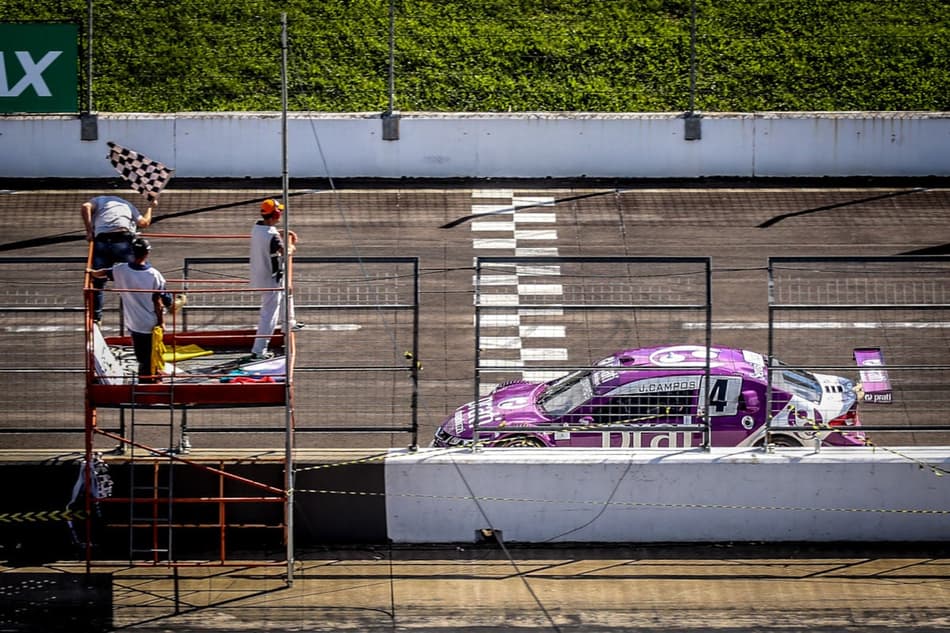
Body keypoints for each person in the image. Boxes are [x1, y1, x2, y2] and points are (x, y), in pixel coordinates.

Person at [88, 237, 171, 383]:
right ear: (147, 253)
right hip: (150, 323)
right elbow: (160, 301)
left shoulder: (120, 270)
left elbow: (102, 273)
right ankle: (147, 383)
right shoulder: (154, 275)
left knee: (143, 354)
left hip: (133, 322)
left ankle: (153, 373)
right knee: (149, 356)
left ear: (132, 252)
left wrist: (90, 272)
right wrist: (162, 321)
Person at [81, 195, 153, 324]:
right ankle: (140, 312)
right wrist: (150, 207)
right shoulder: (128, 205)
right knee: (132, 275)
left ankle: (96, 318)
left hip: (102, 240)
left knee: (97, 281)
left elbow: (85, 207)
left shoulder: (99, 200)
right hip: (122, 239)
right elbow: (144, 223)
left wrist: (89, 231)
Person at [250, 198, 302, 360]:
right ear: (276, 214)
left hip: (261, 273)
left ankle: (289, 322)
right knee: (269, 315)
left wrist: (282, 234)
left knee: (287, 291)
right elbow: (286, 251)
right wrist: (291, 245)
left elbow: (271, 235)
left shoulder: (257, 228)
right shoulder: (272, 237)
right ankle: (259, 350)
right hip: (270, 278)